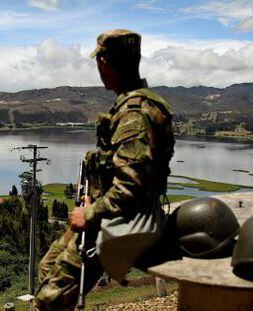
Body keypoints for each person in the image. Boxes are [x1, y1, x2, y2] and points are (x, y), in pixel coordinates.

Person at [34, 29, 175, 310]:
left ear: (105, 63)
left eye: (99, 62)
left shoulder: (135, 113)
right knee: (48, 268)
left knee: (50, 300)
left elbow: (130, 188)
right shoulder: (133, 103)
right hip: (105, 214)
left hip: (118, 222)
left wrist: (88, 212)